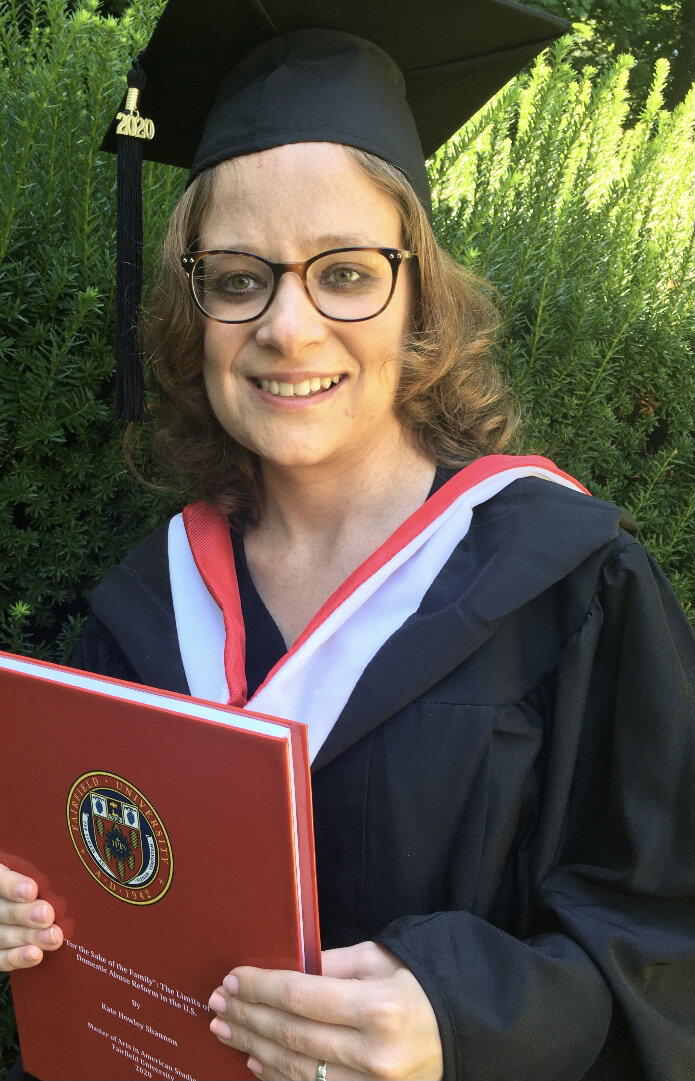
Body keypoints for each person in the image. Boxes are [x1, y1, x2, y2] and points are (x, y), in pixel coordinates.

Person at [2, 2, 694, 1079]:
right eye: (238, 278)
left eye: (345, 270)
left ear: (417, 293)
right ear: (196, 314)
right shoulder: (141, 611)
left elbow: (667, 940)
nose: (287, 326)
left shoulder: (571, 584)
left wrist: (467, 1016)